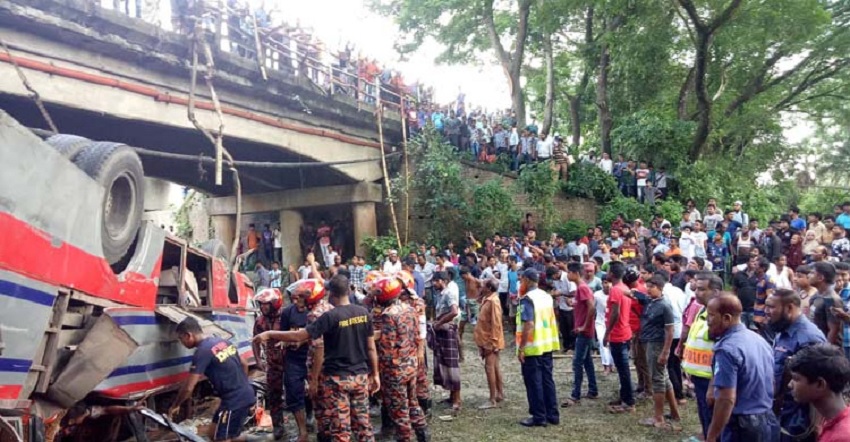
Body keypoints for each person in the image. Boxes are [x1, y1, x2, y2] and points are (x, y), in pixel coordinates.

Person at [254, 275, 380, 442]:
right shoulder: (363, 313)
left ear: (332, 294)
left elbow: (301, 336)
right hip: (360, 377)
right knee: (363, 425)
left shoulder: (328, 316)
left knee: (340, 429)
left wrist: (269, 334)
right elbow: (371, 347)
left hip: (337, 379)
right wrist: (375, 374)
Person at [704, 294, 779, 442]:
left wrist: (711, 436)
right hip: (767, 419)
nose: (708, 321)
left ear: (726, 318)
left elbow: (726, 399)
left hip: (743, 426)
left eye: (711, 316)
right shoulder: (758, 339)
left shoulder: (727, 349)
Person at [170, 317, 255, 442]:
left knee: (221, 438)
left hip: (234, 401)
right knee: (213, 433)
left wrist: (176, 405)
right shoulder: (222, 342)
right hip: (242, 394)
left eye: (181, 339)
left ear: (189, 335)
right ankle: (260, 438)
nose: (182, 343)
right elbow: (244, 364)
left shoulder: (202, 352)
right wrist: (242, 385)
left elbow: (189, 387)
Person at [370, 277, 430, 442]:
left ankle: (404, 437)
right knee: (413, 402)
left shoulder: (388, 315)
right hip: (411, 364)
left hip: (395, 369)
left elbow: (387, 346)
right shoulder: (409, 308)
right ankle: (423, 434)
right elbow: (417, 334)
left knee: (399, 409)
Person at [763, 289, 825, 442]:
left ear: (789, 308)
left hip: (798, 418)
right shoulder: (782, 331)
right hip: (781, 412)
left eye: (771, 307)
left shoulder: (808, 338)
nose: (767, 312)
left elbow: (817, 387)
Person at [680, 273, 723, 440]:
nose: (696, 292)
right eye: (696, 288)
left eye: (702, 289)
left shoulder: (719, 317)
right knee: (704, 418)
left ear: (716, 292)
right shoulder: (702, 310)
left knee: (713, 420)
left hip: (711, 380)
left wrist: (713, 383)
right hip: (699, 377)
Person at [516, 269, 560, 427]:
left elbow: (529, 323)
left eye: (521, 280)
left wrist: (521, 348)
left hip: (533, 346)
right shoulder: (546, 296)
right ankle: (552, 414)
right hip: (547, 344)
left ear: (527, 280)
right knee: (547, 379)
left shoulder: (527, 299)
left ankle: (538, 416)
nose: (520, 283)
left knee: (534, 382)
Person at [638, 275, 681, 430]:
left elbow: (670, 330)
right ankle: (675, 412)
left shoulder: (665, 305)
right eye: (647, 286)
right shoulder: (651, 301)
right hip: (649, 342)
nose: (648, 289)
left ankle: (658, 416)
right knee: (664, 378)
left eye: (651, 287)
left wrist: (665, 351)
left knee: (657, 379)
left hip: (657, 344)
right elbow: (640, 296)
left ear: (660, 288)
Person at [787, 344, 850, 442]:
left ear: (820, 384)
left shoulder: (842, 437)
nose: (790, 384)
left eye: (796, 379)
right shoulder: (826, 418)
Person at [251, 288, 287, 440]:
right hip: (273, 364)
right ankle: (278, 426)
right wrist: (258, 359)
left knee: (300, 392)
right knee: (273, 395)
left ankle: (309, 416)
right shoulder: (260, 321)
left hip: (291, 361)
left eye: (265, 304)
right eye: (261, 304)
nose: (262, 307)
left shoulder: (286, 317)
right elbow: (255, 340)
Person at [561, 262, 597, 408]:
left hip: (584, 331)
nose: (567, 275)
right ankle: (593, 389)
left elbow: (592, 307)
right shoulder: (580, 289)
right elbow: (584, 306)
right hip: (583, 330)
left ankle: (575, 394)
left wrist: (584, 326)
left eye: (569, 272)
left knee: (577, 362)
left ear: (575, 273)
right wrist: (574, 304)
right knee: (587, 361)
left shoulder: (582, 288)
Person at [603, 262, 635, 413]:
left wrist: (607, 333)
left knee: (623, 370)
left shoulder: (616, 290)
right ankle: (624, 397)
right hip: (625, 332)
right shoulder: (625, 288)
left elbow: (615, 313)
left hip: (618, 333)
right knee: (623, 369)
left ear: (612, 274)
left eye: (608, 271)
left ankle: (628, 402)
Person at [431, 271, 462, 412]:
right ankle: (451, 396)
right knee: (443, 363)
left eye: (435, 281)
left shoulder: (449, 293)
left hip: (448, 331)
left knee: (451, 364)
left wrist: (439, 322)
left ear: (442, 280)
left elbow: (454, 311)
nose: (433, 284)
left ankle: (457, 400)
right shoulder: (441, 294)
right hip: (442, 331)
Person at [474, 278, 506, 409]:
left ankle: (492, 399)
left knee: (489, 368)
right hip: (486, 338)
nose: (480, 287)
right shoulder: (487, 299)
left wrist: (492, 342)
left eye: (483, 286)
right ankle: (499, 393)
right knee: (495, 367)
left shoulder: (493, 301)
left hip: (490, 341)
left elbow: (496, 323)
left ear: (489, 288)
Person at [807, 262, 844, 345]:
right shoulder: (816, 295)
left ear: (820, 278)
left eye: (812, 273)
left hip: (826, 351)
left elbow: (834, 330)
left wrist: (825, 351)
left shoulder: (831, 299)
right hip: (815, 344)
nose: (808, 275)